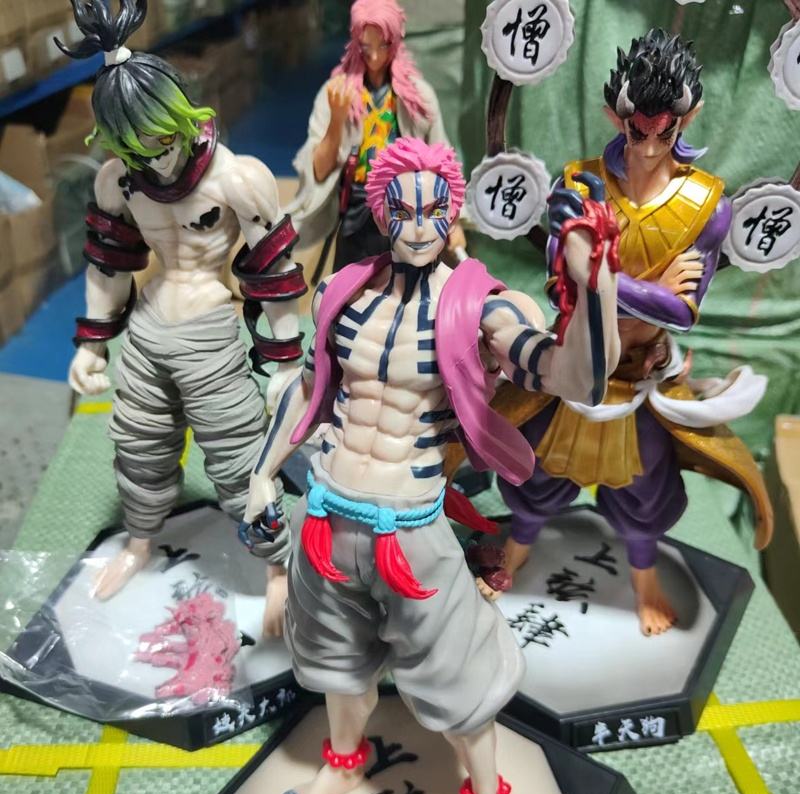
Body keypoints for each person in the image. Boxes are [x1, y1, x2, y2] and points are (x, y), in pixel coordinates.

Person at [240, 137, 621, 794]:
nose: (418, 227)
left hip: (410, 532)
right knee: (336, 666)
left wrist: (594, 290)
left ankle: (486, 788)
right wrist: (262, 473)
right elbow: (308, 390)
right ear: (382, 213)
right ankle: (345, 760)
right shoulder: (340, 292)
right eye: (404, 211)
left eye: (433, 211)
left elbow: (574, 379)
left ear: (453, 213)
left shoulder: (482, 307)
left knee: (457, 678)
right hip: (325, 517)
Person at [481, 29, 771, 636]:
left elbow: (683, 311)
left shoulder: (708, 205)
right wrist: (649, 285)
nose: (650, 146)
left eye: (664, 131)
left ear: (688, 117)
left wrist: (606, 279)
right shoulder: (579, 186)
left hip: (640, 378)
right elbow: (563, 283)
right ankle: (516, 548)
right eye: (639, 130)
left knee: (647, 490)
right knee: (533, 468)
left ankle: (643, 578)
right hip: (571, 368)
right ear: (617, 115)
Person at [61, 0, 299, 623]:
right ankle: (139, 543)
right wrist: (92, 343)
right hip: (146, 332)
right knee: (137, 448)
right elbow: (109, 264)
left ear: (180, 115)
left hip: (211, 334)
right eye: (137, 148)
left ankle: (277, 565)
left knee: (241, 459)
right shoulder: (118, 180)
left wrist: (286, 361)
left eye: (163, 139)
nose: (157, 158)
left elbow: (273, 271)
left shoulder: (237, 179)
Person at [288, 0, 466, 275]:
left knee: (411, 282)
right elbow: (319, 170)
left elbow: (443, 161)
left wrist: (455, 222)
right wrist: (336, 120)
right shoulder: (336, 92)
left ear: (394, 42)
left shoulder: (417, 96)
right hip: (357, 211)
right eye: (365, 47)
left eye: (382, 46)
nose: (373, 57)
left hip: (407, 209)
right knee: (349, 285)